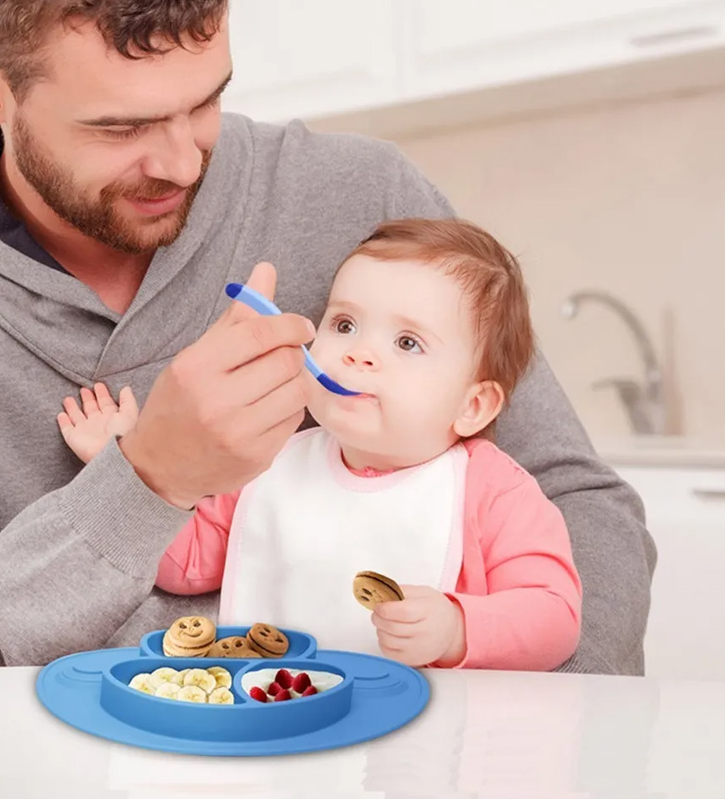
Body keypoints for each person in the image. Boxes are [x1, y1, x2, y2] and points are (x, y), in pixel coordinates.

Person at [0, 0, 654, 674]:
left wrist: (529, 753)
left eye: (205, 101)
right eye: (119, 127)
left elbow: (580, 509)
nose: (181, 162)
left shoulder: (365, 197)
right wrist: (146, 479)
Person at [59, 218, 583, 670]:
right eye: (345, 324)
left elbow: (554, 616)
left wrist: (458, 629)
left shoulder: (492, 490)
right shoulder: (269, 460)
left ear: (473, 406)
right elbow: (185, 565)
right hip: (276, 718)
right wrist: (125, 459)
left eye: (407, 342)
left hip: (418, 750)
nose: (359, 353)